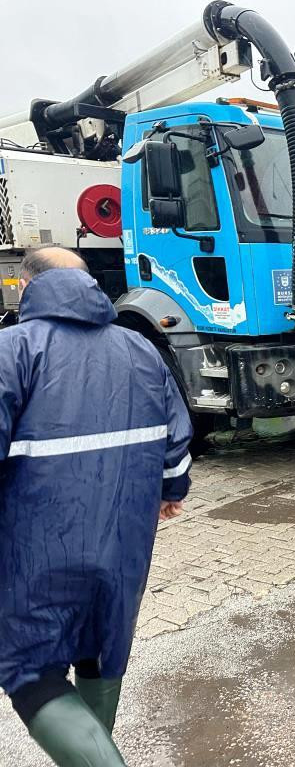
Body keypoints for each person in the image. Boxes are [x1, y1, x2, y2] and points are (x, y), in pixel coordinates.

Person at [0, 248, 192, 765]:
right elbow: (177, 438)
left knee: (29, 669)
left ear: (27, 285)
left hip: (36, 548)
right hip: (124, 543)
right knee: (102, 648)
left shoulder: (11, 350)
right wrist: (171, 491)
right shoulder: (139, 347)